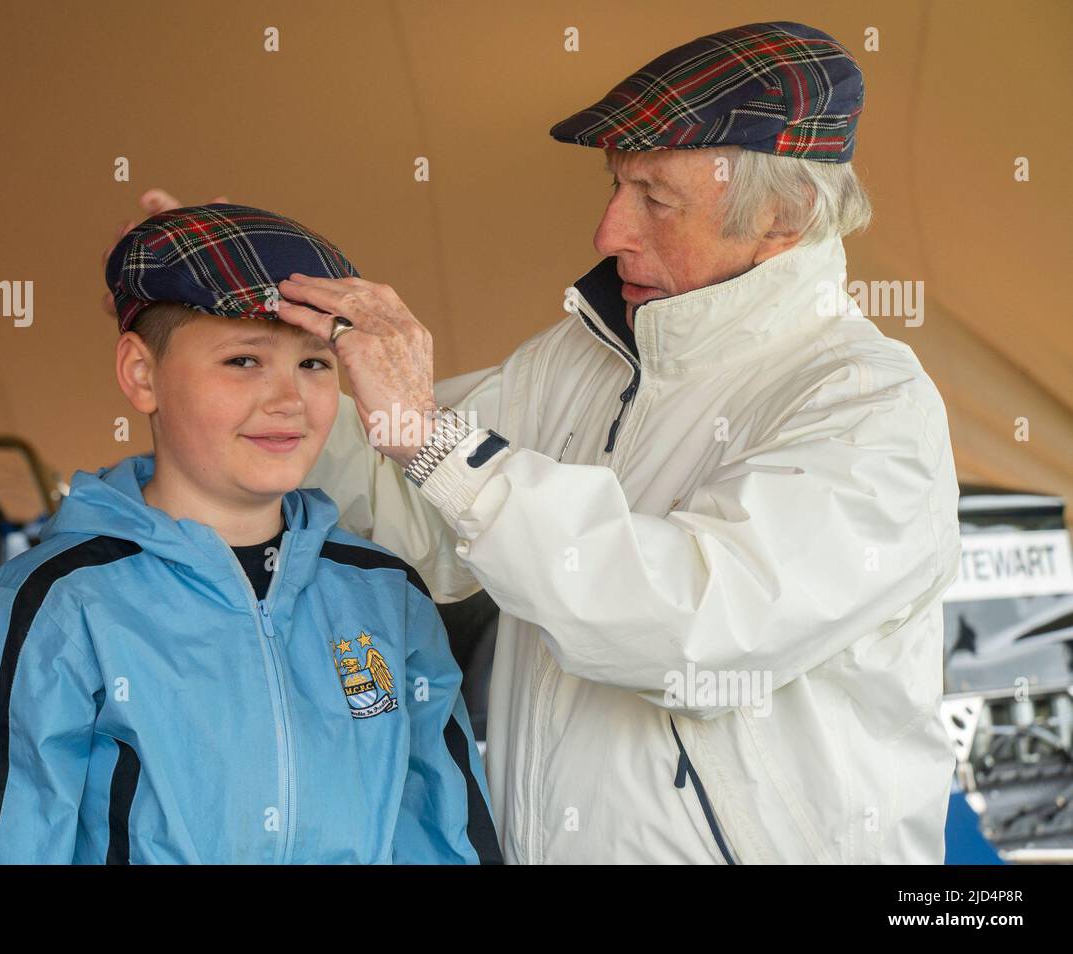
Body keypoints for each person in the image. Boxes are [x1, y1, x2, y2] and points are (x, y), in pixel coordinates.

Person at [118, 22, 961, 863]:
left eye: (655, 200)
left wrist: (437, 444)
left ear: (784, 214)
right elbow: (419, 514)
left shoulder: (868, 407)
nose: (609, 232)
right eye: (615, 186)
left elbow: (691, 630)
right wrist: (264, 366)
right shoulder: (580, 357)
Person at [0, 204, 500, 864]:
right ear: (141, 374)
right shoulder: (52, 605)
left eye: (315, 364)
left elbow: (446, 835)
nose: (288, 399)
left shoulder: (386, 592)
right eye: (242, 361)